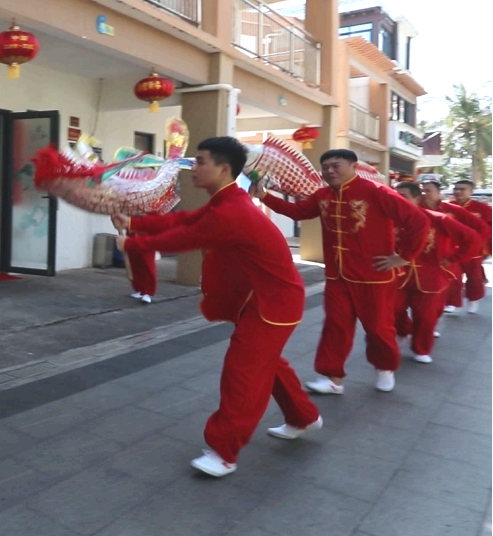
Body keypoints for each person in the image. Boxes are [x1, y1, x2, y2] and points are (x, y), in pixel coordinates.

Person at [114, 137, 320, 478]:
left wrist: (133, 243)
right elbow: (183, 221)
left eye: (201, 161)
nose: (194, 167)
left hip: (275, 303)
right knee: (266, 364)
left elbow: (184, 239)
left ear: (224, 169)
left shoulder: (232, 211)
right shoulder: (225, 201)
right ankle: (304, 416)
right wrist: (136, 223)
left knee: (244, 370)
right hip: (261, 298)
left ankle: (225, 452)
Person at [254, 149, 428, 394]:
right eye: (325, 167)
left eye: (336, 165)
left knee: (378, 328)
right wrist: (264, 196)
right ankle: (331, 377)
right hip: (337, 276)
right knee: (335, 326)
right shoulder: (323, 195)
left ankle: (385, 367)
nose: (330, 171)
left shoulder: (377, 193)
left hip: (374, 277)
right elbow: (298, 212)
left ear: (354, 166)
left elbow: (418, 222)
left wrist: (403, 257)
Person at [392, 182, 483, 363]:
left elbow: (472, 238)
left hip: (430, 276)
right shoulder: (388, 219)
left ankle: (421, 348)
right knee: (392, 311)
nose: (398, 201)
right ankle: (403, 330)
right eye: (395, 196)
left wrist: (452, 258)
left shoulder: (438, 219)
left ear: (417, 199)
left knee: (426, 317)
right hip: (397, 275)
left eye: (403, 196)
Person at [445, 180, 492, 314]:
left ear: (471, 192)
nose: (458, 192)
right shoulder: (447, 207)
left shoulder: (482, 208)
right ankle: (452, 303)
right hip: (451, 247)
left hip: (474, 248)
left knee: (474, 276)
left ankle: (473, 300)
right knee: (453, 275)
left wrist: (479, 241)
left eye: (462, 189)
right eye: (456, 189)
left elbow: (489, 227)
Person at [123, 214, 158, 304]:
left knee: (147, 263)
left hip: (147, 235)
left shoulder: (154, 205)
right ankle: (139, 288)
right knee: (135, 262)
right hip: (133, 232)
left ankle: (148, 291)